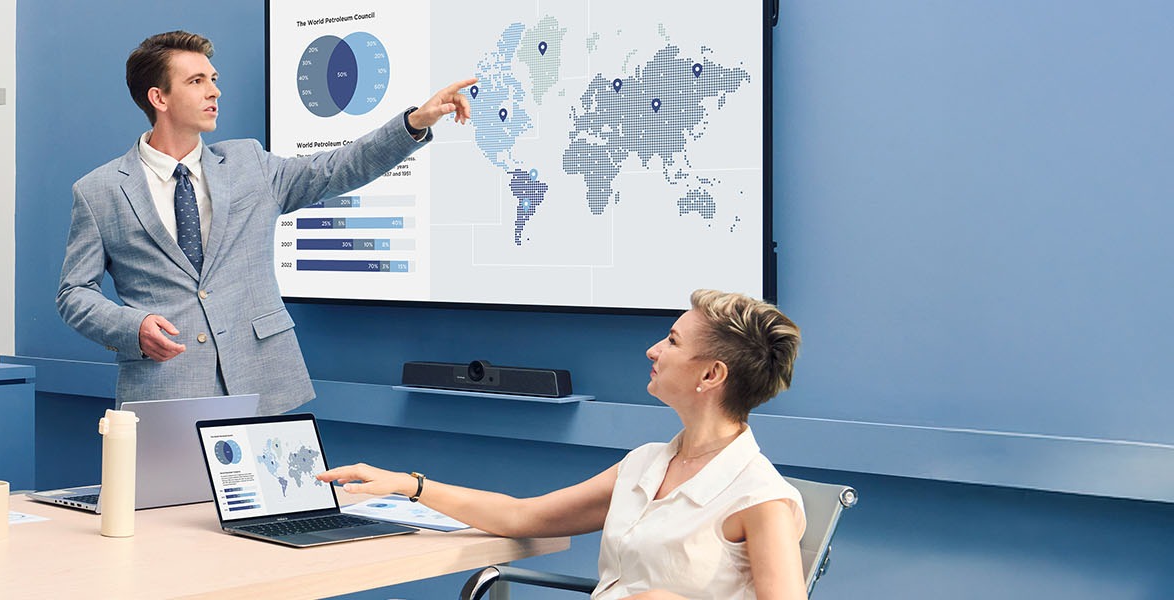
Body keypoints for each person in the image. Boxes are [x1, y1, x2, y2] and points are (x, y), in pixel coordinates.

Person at [57, 30, 478, 414]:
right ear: (159, 98)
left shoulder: (249, 164)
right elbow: (74, 293)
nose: (214, 91)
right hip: (163, 392)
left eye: (213, 78)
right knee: (172, 503)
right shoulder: (100, 191)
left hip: (262, 384)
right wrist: (134, 326)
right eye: (196, 81)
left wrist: (415, 123)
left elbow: (336, 168)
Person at [319, 290, 807, 600]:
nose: (653, 350)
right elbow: (523, 518)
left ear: (711, 375)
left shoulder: (760, 499)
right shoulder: (645, 465)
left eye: (673, 342)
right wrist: (409, 484)